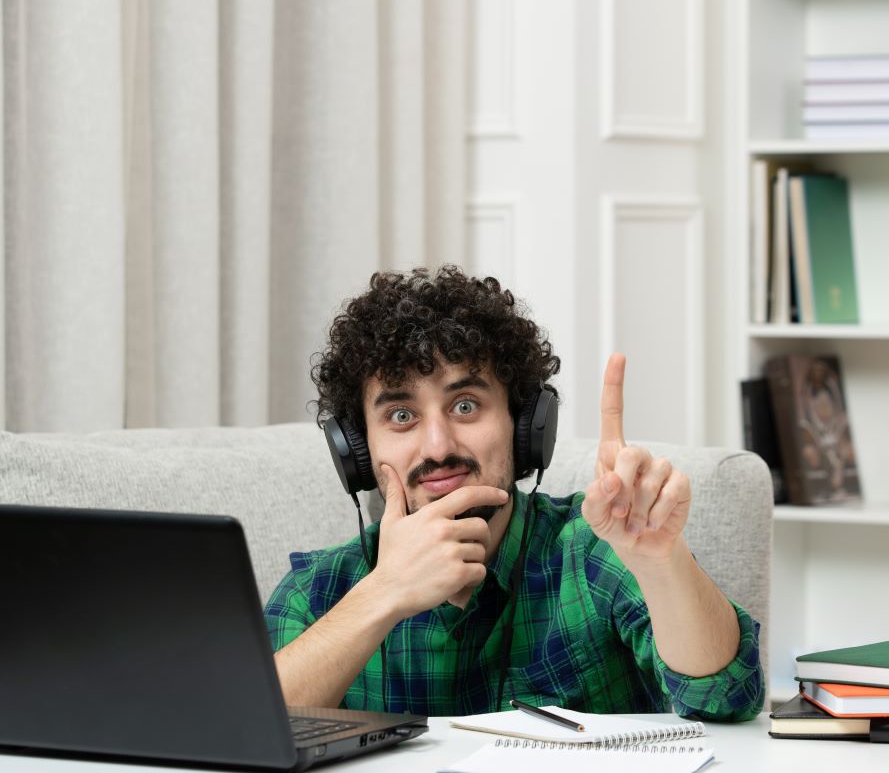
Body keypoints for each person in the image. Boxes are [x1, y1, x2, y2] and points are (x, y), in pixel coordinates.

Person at [264, 266, 763, 719]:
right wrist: (384, 592)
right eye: (401, 415)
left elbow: (727, 697)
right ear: (357, 449)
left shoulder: (596, 549)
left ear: (523, 425)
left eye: (465, 406)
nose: (438, 447)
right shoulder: (318, 590)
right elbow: (247, 731)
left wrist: (660, 562)